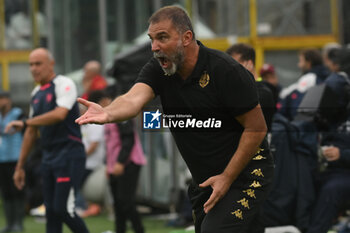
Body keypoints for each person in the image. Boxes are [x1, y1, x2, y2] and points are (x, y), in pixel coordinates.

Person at [76, 6, 274, 233]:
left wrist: (227, 177)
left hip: (245, 175)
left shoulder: (225, 71)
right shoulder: (159, 69)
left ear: (186, 37)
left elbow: (256, 129)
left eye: (162, 37)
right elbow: (133, 98)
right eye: (152, 39)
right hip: (205, 179)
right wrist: (108, 112)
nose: (154, 47)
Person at [5, 48, 90, 233]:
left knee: (63, 209)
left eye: (38, 63)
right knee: (51, 212)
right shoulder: (36, 93)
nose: (34, 68)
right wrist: (19, 167)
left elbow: (60, 114)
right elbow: (30, 131)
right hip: (48, 158)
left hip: (69, 155)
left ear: (51, 64)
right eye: (30, 64)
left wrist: (26, 122)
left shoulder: (64, 83)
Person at [306, 48, 350, 233]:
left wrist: (342, 154)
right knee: (302, 182)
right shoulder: (336, 108)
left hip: (344, 171)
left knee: (331, 190)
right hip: (329, 168)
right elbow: (303, 115)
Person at [226, 43, 276, 131]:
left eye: (235, 64)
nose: (230, 69)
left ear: (249, 64)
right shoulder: (234, 88)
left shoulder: (264, 92)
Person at [279, 48, 330, 121]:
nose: (299, 65)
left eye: (301, 61)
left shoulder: (309, 78)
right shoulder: (323, 76)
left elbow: (296, 105)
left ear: (308, 63)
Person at [0, 91, 26, 232]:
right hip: (2, 158)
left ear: (8, 100)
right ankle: (9, 223)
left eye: (2, 99)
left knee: (17, 190)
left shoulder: (18, 114)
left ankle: (18, 223)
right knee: (6, 192)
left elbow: (18, 129)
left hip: (16, 158)